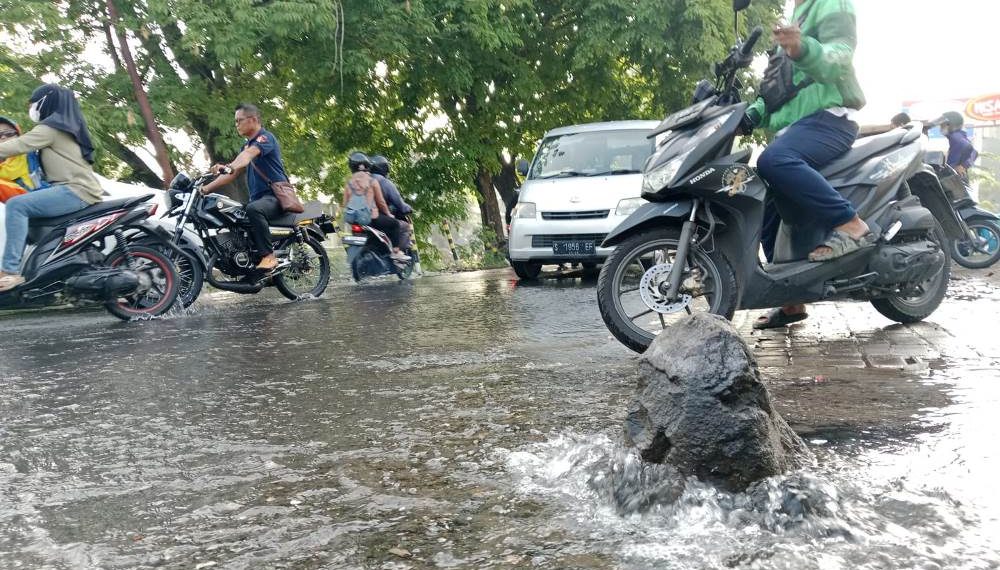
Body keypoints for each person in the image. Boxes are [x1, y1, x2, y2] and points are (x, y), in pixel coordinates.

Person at [749, 0, 869, 330]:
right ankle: (791, 299)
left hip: (830, 120)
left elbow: (840, 54)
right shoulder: (794, 18)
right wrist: (747, 115)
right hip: (798, 128)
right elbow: (778, 91)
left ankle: (850, 224)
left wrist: (803, 48)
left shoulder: (831, 4)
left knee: (773, 160)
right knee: (761, 196)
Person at [0, 85, 102, 291]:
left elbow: (17, 146)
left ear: (46, 101)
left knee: (17, 206)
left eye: (33, 104)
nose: (31, 109)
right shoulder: (63, 126)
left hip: (74, 190)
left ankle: (9, 272)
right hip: (74, 190)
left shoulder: (51, 128)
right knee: (27, 215)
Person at [201, 103, 289, 271]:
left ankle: (269, 257)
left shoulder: (265, 138)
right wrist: (206, 189)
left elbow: (246, 157)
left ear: (253, 119)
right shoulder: (246, 146)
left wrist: (229, 166)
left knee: (253, 209)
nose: (236, 124)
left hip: (275, 197)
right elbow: (232, 174)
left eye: (239, 120)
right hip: (258, 199)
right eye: (235, 121)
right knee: (235, 214)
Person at [341, 152, 409, 261]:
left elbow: (344, 203)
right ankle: (396, 253)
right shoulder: (372, 181)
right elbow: (381, 202)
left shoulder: (349, 183)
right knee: (395, 224)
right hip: (371, 218)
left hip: (354, 220)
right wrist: (388, 214)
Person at [369, 154, 414, 249]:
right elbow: (398, 202)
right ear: (384, 168)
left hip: (361, 219)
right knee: (404, 226)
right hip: (378, 218)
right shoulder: (385, 182)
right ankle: (398, 252)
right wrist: (408, 208)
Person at [0, 117, 49, 202]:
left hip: (39, 199)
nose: (3, 137)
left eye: (9, 133)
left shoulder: (35, 154)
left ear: (19, 136)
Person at [935, 111, 978, 180]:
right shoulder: (958, 135)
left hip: (953, 178)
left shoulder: (955, 137)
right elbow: (974, 152)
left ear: (949, 124)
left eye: (942, 125)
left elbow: (967, 146)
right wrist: (964, 165)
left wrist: (959, 166)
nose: (940, 127)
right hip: (956, 178)